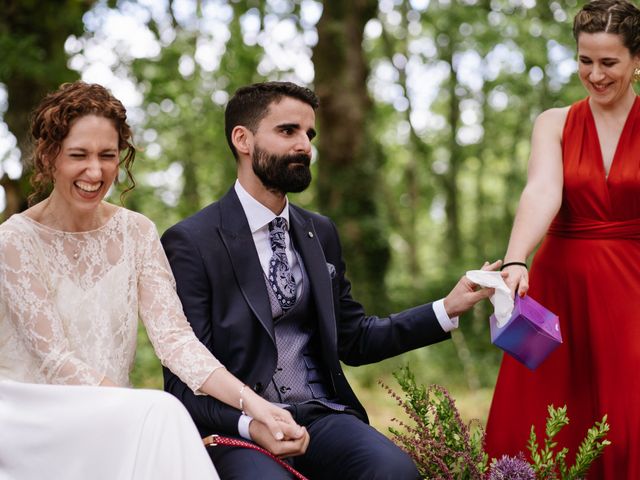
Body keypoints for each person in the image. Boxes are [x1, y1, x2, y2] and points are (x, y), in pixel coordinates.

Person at [161, 80, 499, 480]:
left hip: (321, 415)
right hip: (237, 426)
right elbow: (185, 380)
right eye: (288, 131)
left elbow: (353, 339)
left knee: (394, 472)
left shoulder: (319, 232)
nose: (305, 145)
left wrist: (446, 308)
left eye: (309, 134)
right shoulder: (192, 241)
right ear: (243, 139)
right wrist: (252, 422)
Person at [0, 81, 307, 480]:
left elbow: (176, 341)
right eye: (79, 155)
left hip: (113, 414)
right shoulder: (14, 241)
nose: (95, 171)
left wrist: (254, 404)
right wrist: (136, 414)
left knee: (162, 414)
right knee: (162, 411)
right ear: (49, 156)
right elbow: (57, 361)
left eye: (107, 156)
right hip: (33, 417)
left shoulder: (137, 232)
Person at [485, 1, 640, 477]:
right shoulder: (554, 122)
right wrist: (517, 260)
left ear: (636, 60)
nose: (594, 74)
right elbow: (542, 191)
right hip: (559, 288)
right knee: (546, 418)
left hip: (632, 288)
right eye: (584, 60)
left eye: (608, 62)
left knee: (628, 411)